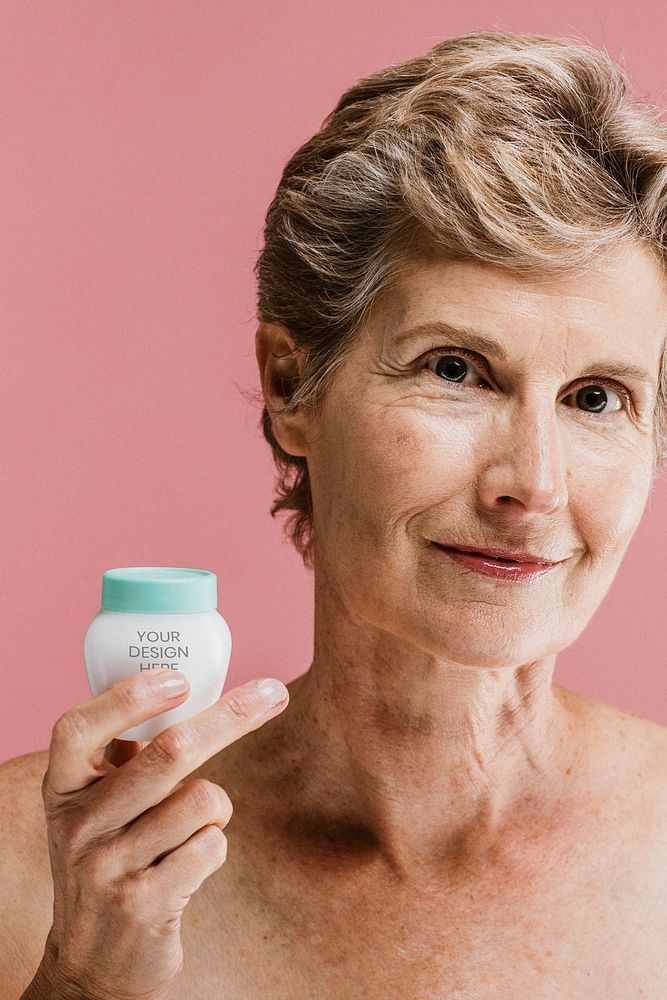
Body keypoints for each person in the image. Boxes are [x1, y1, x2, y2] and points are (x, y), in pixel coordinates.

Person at [4, 27, 667, 1000]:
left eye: (597, 396)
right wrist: (83, 983)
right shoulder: (32, 878)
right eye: (455, 370)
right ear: (291, 385)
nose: (534, 484)